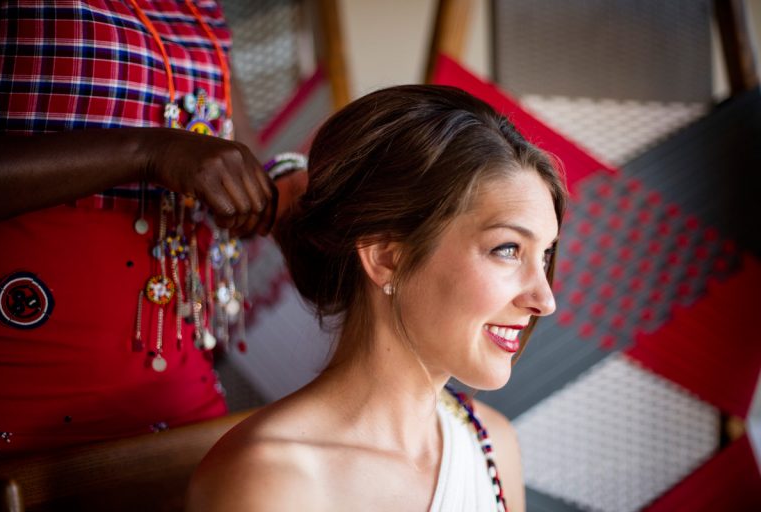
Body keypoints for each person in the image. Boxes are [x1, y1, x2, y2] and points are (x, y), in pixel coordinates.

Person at [187, 85, 568, 512]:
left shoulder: (492, 447)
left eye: (545, 254)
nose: (544, 299)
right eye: (508, 249)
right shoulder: (271, 480)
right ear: (387, 257)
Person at [0, 0, 305, 455]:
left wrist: (280, 185)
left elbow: (238, 160)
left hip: (176, 389)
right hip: (20, 389)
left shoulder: (201, 8)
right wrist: (147, 153)